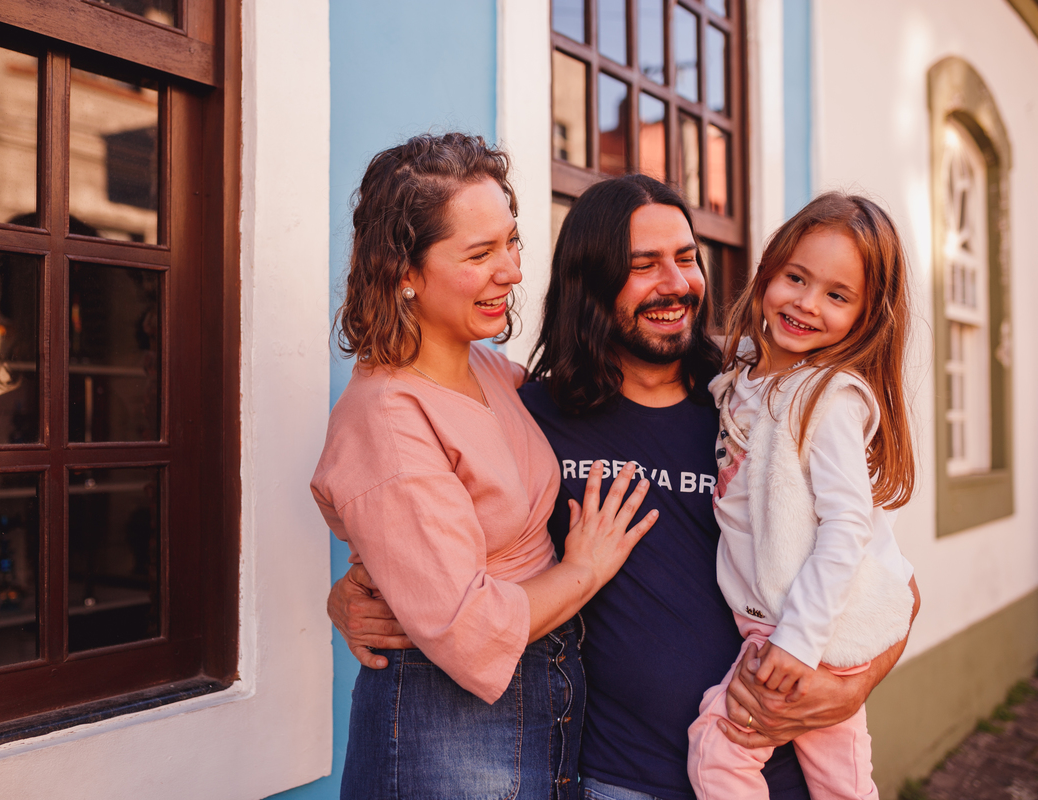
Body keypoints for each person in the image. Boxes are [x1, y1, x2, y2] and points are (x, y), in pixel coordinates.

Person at [330, 173, 921, 800]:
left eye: (687, 259)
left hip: (769, 769)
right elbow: (439, 532)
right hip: (615, 780)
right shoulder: (532, 416)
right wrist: (357, 587)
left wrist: (852, 684)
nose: (676, 284)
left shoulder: (753, 403)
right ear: (591, 280)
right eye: (644, 265)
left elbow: (889, 579)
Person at [311, 133, 659, 800]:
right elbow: (469, 634)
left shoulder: (491, 370)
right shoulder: (386, 419)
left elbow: (613, 380)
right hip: (445, 727)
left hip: (537, 708)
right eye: (479, 253)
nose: (513, 271)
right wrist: (584, 568)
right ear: (402, 273)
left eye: (512, 241)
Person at [686, 193, 916, 799]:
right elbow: (743, 374)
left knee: (719, 752)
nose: (806, 304)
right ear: (767, 271)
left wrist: (796, 639)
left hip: (795, 632)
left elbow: (847, 527)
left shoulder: (828, 397)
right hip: (810, 636)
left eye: (837, 296)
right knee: (843, 783)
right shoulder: (751, 376)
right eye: (796, 278)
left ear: (866, 317)